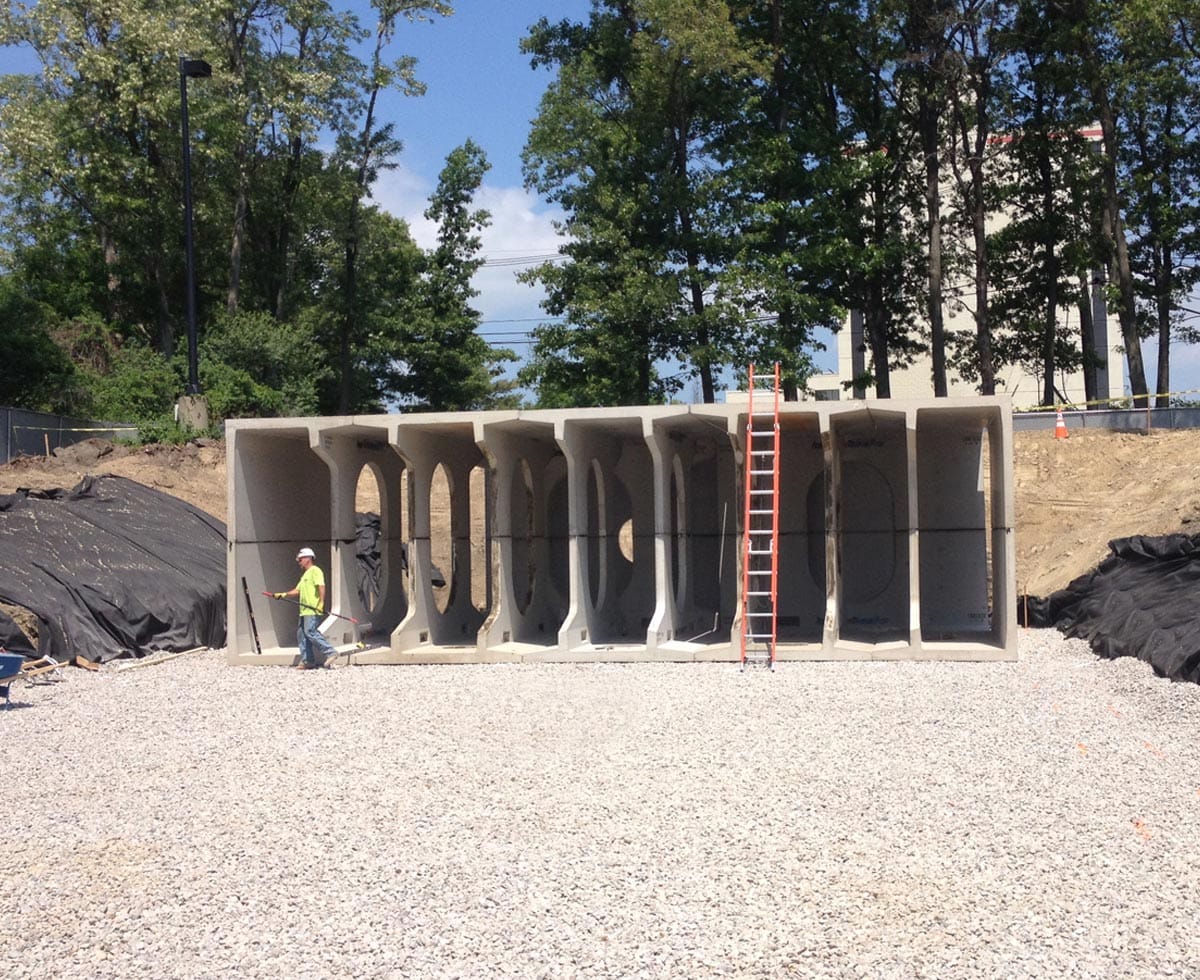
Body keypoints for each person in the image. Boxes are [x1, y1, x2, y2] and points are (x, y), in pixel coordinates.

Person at [272, 547, 337, 670]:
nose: (299, 562)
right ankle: (308, 661)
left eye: (301, 559)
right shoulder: (305, 575)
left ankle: (330, 652)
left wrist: (321, 603)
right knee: (301, 635)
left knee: (310, 632)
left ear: (308, 558)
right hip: (304, 610)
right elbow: (298, 590)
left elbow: (321, 586)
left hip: (312, 609)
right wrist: (283, 594)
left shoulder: (315, 571)